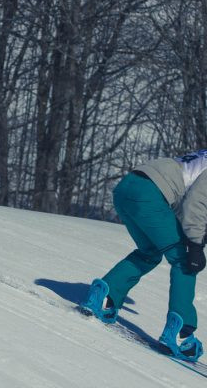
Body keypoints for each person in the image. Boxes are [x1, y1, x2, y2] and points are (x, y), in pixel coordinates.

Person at [81, 150, 207, 362]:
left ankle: (104, 297)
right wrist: (195, 245)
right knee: (184, 261)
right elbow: (195, 205)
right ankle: (180, 333)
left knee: (151, 251)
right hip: (150, 194)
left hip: (127, 188)